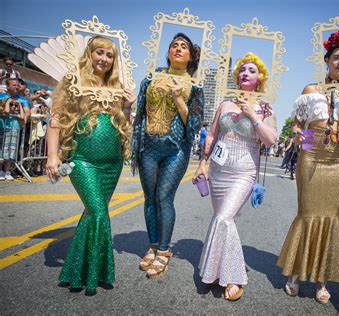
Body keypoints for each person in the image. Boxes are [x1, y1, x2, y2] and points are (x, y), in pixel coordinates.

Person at [277, 30, 339, 304]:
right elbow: (298, 123)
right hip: (313, 156)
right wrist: (303, 146)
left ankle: (321, 280)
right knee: (307, 213)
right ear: (327, 60)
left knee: (330, 218)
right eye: (337, 57)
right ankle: (294, 273)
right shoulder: (311, 90)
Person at [45, 36, 136, 295]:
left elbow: (123, 126)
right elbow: (56, 120)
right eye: (99, 53)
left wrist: (128, 105)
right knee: (98, 213)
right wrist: (53, 156)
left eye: (109, 56)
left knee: (92, 213)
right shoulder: (72, 81)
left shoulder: (117, 86)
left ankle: (78, 270)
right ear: (89, 54)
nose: (104, 59)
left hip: (111, 163)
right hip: (82, 160)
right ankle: (97, 273)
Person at [193, 52, 277, 301]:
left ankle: (233, 276)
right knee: (222, 219)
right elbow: (211, 134)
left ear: (259, 77)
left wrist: (252, 115)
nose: (245, 73)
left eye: (251, 70)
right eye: (242, 69)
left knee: (223, 218)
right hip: (219, 171)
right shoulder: (225, 104)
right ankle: (216, 271)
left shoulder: (266, 106)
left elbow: (271, 140)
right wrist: (202, 164)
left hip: (243, 171)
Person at [132, 33, 204, 279]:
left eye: (184, 46)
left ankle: (164, 251)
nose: (178, 49)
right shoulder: (151, 79)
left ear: (191, 55)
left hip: (175, 149)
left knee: (164, 197)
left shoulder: (195, 86)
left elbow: (193, 125)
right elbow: (140, 112)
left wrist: (177, 97)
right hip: (148, 145)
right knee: (149, 198)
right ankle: (152, 246)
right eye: (174, 45)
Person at [0, 78, 28, 181]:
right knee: (1, 150)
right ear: (8, 86)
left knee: (11, 150)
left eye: (17, 85)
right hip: (2, 127)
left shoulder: (22, 99)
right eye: (14, 85)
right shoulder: (1, 97)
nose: (16, 87)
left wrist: (23, 120)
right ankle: (0, 171)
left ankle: (7, 171)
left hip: (15, 128)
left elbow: (26, 113)